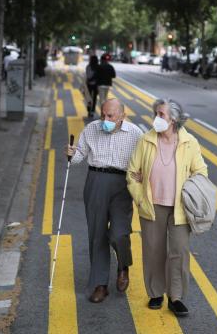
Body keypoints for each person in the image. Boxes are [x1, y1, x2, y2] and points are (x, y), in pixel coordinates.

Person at [127, 98, 208, 317]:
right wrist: (140, 198)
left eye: (161, 115)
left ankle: (176, 297)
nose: (156, 118)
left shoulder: (189, 142)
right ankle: (155, 293)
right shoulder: (146, 140)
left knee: (179, 251)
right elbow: (132, 173)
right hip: (152, 205)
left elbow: (201, 172)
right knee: (154, 250)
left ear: (173, 119)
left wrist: (190, 189)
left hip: (180, 206)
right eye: (156, 113)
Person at [64, 98, 143, 303]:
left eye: (110, 116)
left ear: (122, 116)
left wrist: (143, 176)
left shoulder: (135, 133)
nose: (105, 119)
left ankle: (123, 266)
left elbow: (146, 159)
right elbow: (80, 155)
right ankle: (100, 284)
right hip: (95, 180)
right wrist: (72, 154)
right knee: (97, 234)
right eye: (103, 115)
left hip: (122, 184)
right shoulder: (91, 129)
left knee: (119, 234)